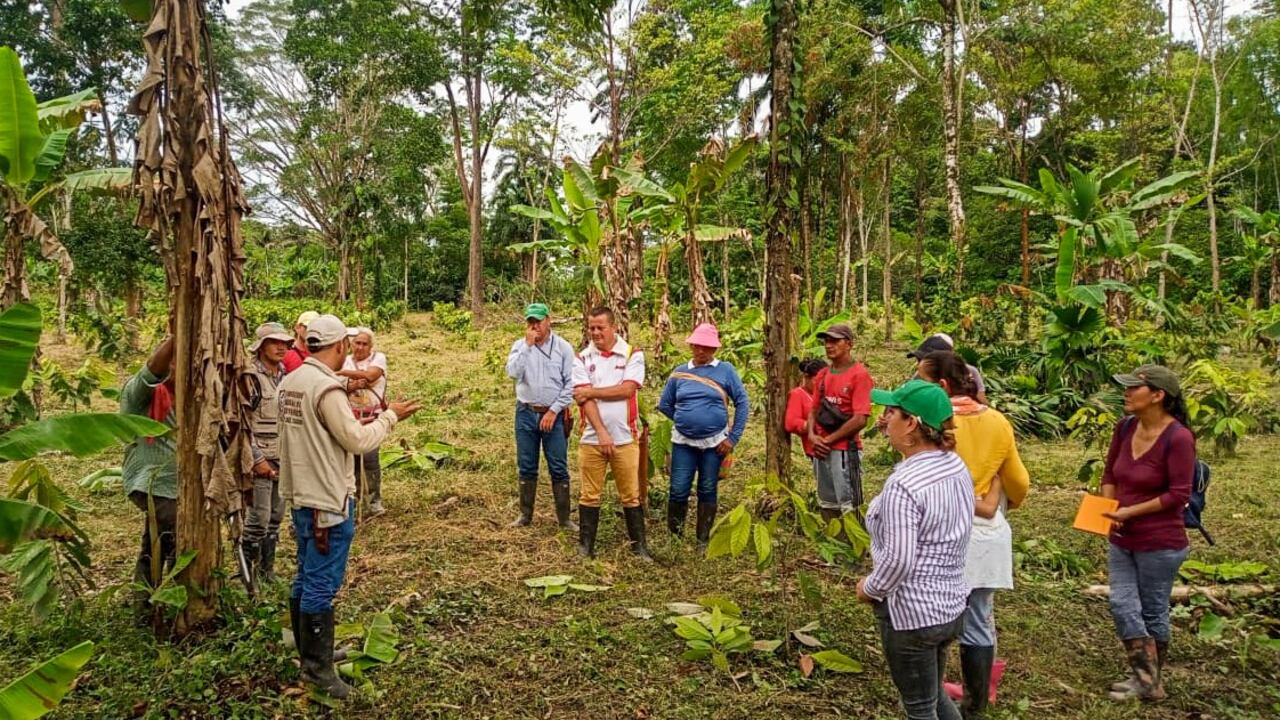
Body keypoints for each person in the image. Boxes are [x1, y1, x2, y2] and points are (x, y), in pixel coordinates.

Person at [278, 315, 421, 699]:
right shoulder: (327, 390)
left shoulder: (290, 382)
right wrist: (392, 417)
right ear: (339, 345)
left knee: (305, 573)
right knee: (320, 584)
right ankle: (318, 670)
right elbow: (357, 440)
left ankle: (310, 652)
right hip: (327, 497)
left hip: (299, 493)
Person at [918, 351, 1030, 717]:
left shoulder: (933, 422)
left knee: (938, 614)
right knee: (979, 616)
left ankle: (935, 694)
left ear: (942, 385)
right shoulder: (998, 421)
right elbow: (1020, 482)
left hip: (943, 530)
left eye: (922, 379)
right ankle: (975, 703)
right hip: (986, 534)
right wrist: (993, 495)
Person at [855, 379, 974, 720]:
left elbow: (899, 560)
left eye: (891, 412)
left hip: (912, 615)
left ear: (911, 424)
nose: (883, 419)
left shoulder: (904, 487)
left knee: (919, 707)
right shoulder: (955, 466)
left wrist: (870, 588)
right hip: (950, 605)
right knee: (933, 694)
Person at [1101, 364, 1194, 703]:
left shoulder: (1178, 438)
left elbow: (1178, 495)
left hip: (1160, 542)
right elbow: (1110, 471)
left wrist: (1130, 512)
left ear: (1158, 396)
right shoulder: (1125, 428)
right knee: (1122, 604)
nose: (1125, 393)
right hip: (1122, 536)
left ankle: (1147, 681)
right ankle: (1146, 679)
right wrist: (1108, 509)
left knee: (1153, 609)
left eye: (1133, 389)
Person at [656, 323, 749, 546]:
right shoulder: (679, 372)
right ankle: (675, 539)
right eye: (697, 346)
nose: (701, 351)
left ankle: (702, 540)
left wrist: (733, 437)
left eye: (706, 347)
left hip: (715, 442)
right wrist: (683, 419)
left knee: (707, 487)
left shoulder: (725, 370)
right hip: (683, 441)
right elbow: (665, 404)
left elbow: (743, 402)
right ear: (691, 345)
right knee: (678, 489)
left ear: (714, 349)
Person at [571, 306, 648, 560]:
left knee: (631, 494)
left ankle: (639, 547)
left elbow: (627, 390)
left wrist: (592, 391)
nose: (595, 333)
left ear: (613, 327)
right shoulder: (582, 358)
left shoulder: (631, 354)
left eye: (600, 327)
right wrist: (602, 433)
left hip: (625, 437)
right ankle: (586, 547)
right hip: (592, 438)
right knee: (589, 494)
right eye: (591, 328)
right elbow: (583, 401)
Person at [504, 303, 577, 530]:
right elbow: (512, 373)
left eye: (538, 321)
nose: (535, 326)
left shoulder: (563, 348)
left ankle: (564, 518)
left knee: (558, 465)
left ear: (548, 320)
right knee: (526, 465)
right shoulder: (520, 346)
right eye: (531, 322)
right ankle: (525, 515)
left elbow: (571, 384)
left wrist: (554, 410)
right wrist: (527, 346)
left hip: (553, 415)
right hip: (526, 412)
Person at [119, 337, 177, 595]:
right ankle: (176, 604)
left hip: (176, 485)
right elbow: (152, 369)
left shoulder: (187, 397)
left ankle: (145, 602)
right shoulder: (140, 392)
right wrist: (177, 335)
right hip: (154, 482)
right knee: (178, 541)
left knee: (156, 543)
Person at [806, 324, 873, 525]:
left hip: (845, 451)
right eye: (827, 341)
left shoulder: (859, 375)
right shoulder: (823, 375)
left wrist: (827, 440)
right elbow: (813, 410)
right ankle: (834, 549)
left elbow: (860, 419)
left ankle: (854, 552)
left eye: (835, 341)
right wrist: (812, 436)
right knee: (827, 502)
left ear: (849, 344)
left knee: (850, 504)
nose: (829, 345)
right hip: (821, 449)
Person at [244, 322, 294, 584]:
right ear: (261, 346)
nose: (281, 347)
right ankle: (248, 577)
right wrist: (256, 459)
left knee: (275, 518)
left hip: (282, 454)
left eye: (285, 343)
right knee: (258, 519)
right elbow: (241, 424)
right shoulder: (251, 376)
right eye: (275, 342)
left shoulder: (285, 375)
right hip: (259, 456)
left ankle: (267, 572)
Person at [338, 327, 390, 517]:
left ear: (371, 346)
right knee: (351, 459)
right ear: (351, 344)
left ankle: (374, 500)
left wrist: (345, 374)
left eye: (364, 343)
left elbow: (371, 375)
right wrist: (353, 384)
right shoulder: (345, 360)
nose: (360, 347)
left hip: (372, 416)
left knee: (370, 458)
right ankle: (355, 499)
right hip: (349, 416)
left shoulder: (378, 358)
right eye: (357, 343)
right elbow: (337, 384)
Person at [907, 333, 988, 405]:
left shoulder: (970, 371)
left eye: (925, 360)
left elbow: (982, 401)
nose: (919, 364)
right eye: (918, 360)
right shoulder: (919, 375)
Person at [785, 359, 827, 458]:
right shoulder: (798, 394)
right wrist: (815, 425)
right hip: (818, 449)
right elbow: (791, 423)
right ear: (806, 378)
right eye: (816, 381)